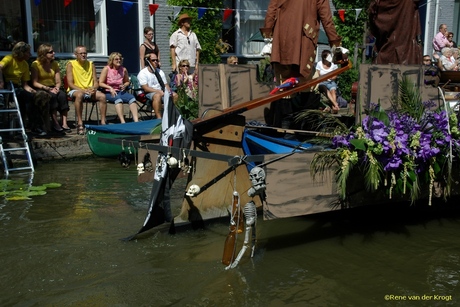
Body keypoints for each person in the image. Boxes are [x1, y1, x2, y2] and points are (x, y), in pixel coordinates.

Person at [262, 0, 341, 84]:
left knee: (284, 88)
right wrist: (336, 46)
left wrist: (268, 37)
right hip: (304, 43)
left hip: (281, 44)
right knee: (309, 86)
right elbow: (326, 19)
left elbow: (271, 11)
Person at [66, 45, 107, 135]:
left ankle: (103, 122)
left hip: (89, 90)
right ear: (76, 54)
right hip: (76, 89)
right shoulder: (71, 64)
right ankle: (80, 123)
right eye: (81, 53)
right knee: (79, 95)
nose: (83, 55)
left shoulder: (91, 64)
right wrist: (82, 90)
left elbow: (96, 82)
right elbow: (70, 84)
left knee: (103, 96)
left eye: (85, 53)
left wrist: (93, 88)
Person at [30, 43, 70, 133]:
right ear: (44, 54)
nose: (54, 53)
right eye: (51, 52)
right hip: (41, 87)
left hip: (53, 87)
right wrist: (47, 88)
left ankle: (64, 123)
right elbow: (34, 82)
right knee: (53, 96)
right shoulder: (35, 64)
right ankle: (55, 123)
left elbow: (58, 81)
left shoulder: (55, 64)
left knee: (62, 96)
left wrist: (57, 87)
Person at [368, 0, 422, 65]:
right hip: (405, 57)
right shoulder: (407, 2)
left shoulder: (377, 4)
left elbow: (373, 29)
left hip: (383, 56)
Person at [0, 41, 36, 129]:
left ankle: (28, 124)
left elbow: (25, 85)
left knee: (28, 97)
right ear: (21, 52)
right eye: (28, 52)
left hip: (14, 87)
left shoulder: (25, 64)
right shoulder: (9, 58)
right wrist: (1, 82)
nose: (30, 55)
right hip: (4, 85)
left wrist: (33, 92)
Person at [99, 52, 139, 123]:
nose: (119, 61)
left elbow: (127, 81)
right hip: (108, 92)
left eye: (120, 59)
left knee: (132, 98)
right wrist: (110, 88)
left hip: (120, 91)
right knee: (118, 99)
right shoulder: (106, 69)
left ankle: (136, 120)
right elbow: (100, 83)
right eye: (116, 59)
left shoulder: (123, 69)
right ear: (112, 60)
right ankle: (123, 122)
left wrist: (125, 85)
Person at [137, 53, 177, 119]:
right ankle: (159, 118)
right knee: (157, 96)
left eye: (157, 60)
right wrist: (158, 91)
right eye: (153, 60)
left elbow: (166, 85)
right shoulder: (143, 73)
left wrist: (169, 92)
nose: (156, 62)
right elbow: (146, 88)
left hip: (161, 92)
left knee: (175, 95)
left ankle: (172, 116)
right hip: (148, 93)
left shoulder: (160, 72)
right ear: (148, 61)